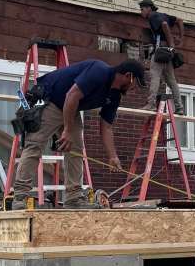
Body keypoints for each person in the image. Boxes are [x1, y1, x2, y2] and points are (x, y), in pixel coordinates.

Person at [10, 58, 145, 209]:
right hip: (52, 99)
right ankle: (20, 197)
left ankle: (73, 198)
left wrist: (112, 156)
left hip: (71, 107)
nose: (134, 89)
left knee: (75, 150)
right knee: (34, 145)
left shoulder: (114, 96)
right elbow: (71, 95)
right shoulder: (99, 71)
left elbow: (106, 126)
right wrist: (67, 130)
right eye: (136, 84)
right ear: (128, 76)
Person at [138, 0, 184, 114]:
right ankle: (179, 107)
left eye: (142, 9)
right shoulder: (163, 15)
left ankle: (151, 104)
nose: (141, 12)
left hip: (160, 51)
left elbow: (164, 25)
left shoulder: (152, 16)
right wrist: (181, 38)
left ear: (149, 8)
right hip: (167, 53)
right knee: (171, 80)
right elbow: (180, 20)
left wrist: (172, 44)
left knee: (155, 76)